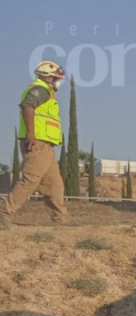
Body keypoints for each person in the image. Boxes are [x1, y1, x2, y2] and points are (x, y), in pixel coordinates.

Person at [0, 61, 69, 228]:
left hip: (46, 145)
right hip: (37, 143)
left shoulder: (47, 92)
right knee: (30, 180)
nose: (59, 82)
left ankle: (60, 221)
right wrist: (31, 133)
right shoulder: (40, 90)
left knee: (54, 184)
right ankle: (3, 214)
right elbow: (28, 107)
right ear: (47, 77)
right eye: (56, 78)